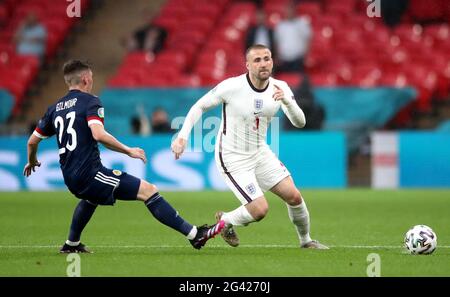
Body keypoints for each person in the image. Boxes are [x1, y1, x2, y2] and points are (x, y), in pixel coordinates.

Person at [23, 60, 224, 253]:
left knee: (91, 198)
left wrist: (32, 161)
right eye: (91, 77)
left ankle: (72, 243)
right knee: (148, 190)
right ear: (85, 79)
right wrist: (129, 150)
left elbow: (32, 141)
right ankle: (195, 234)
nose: (91, 81)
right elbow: (98, 134)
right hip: (89, 174)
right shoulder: (90, 102)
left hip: (70, 176)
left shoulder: (54, 108)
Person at [171, 45, 328, 249]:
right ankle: (225, 222)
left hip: (260, 152)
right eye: (257, 60)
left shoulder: (280, 88)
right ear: (247, 65)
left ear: (272, 61)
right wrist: (182, 137)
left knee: (294, 196)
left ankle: (306, 241)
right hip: (232, 156)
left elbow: (300, 123)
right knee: (259, 210)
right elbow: (199, 106)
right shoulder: (232, 87)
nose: (263, 64)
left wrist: (288, 102)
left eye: (267, 58)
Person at [274, 1, 312, 73]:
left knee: (296, 81)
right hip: (283, 59)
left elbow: (308, 39)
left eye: (290, 10)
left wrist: (306, 55)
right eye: (287, 10)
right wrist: (277, 56)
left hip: (298, 59)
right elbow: (277, 42)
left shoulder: (302, 23)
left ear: (294, 10)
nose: (289, 12)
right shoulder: (280, 25)